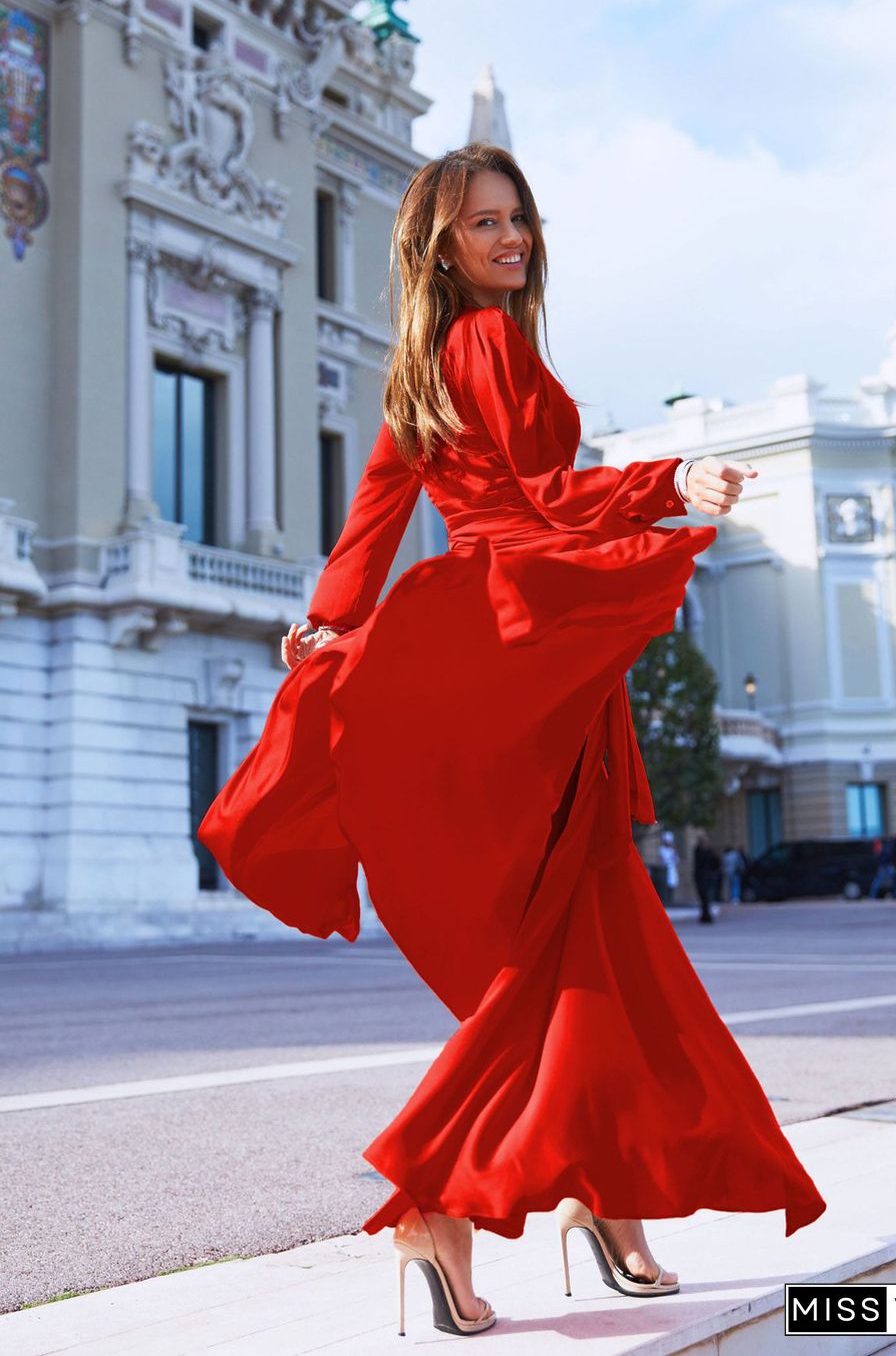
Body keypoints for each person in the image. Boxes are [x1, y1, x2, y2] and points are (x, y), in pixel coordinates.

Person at [197, 144, 826, 1337]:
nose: (512, 239)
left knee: (583, 938)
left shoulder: (421, 370)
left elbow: (376, 511)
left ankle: (605, 1196)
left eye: (518, 218)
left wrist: (326, 624)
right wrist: (664, 483)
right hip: (519, 647)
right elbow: (540, 506)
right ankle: (437, 1208)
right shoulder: (484, 347)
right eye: (486, 223)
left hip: (511, 653)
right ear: (442, 244)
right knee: (564, 945)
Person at [693, 837, 721, 923]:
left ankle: (706, 915)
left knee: (705, 897)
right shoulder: (702, 852)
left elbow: (716, 863)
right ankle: (705, 915)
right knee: (704, 897)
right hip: (703, 877)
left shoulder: (706, 852)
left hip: (705, 877)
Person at [868, 833, 896, 899]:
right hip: (885, 865)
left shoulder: (884, 845)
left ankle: (872, 895)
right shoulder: (886, 846)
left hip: (886, 865)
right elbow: (885, 856)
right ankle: (872, 895)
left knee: (881, 881)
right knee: (879, 881)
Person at [659, 825, 679, 905]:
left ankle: (671, 900)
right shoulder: (662, 849)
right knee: (666, 885)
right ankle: (666, 900)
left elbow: (676, 859)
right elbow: (664, 859)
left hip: (672, 869)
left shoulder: (672, 850)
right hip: (665, 870)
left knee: (672, 884)